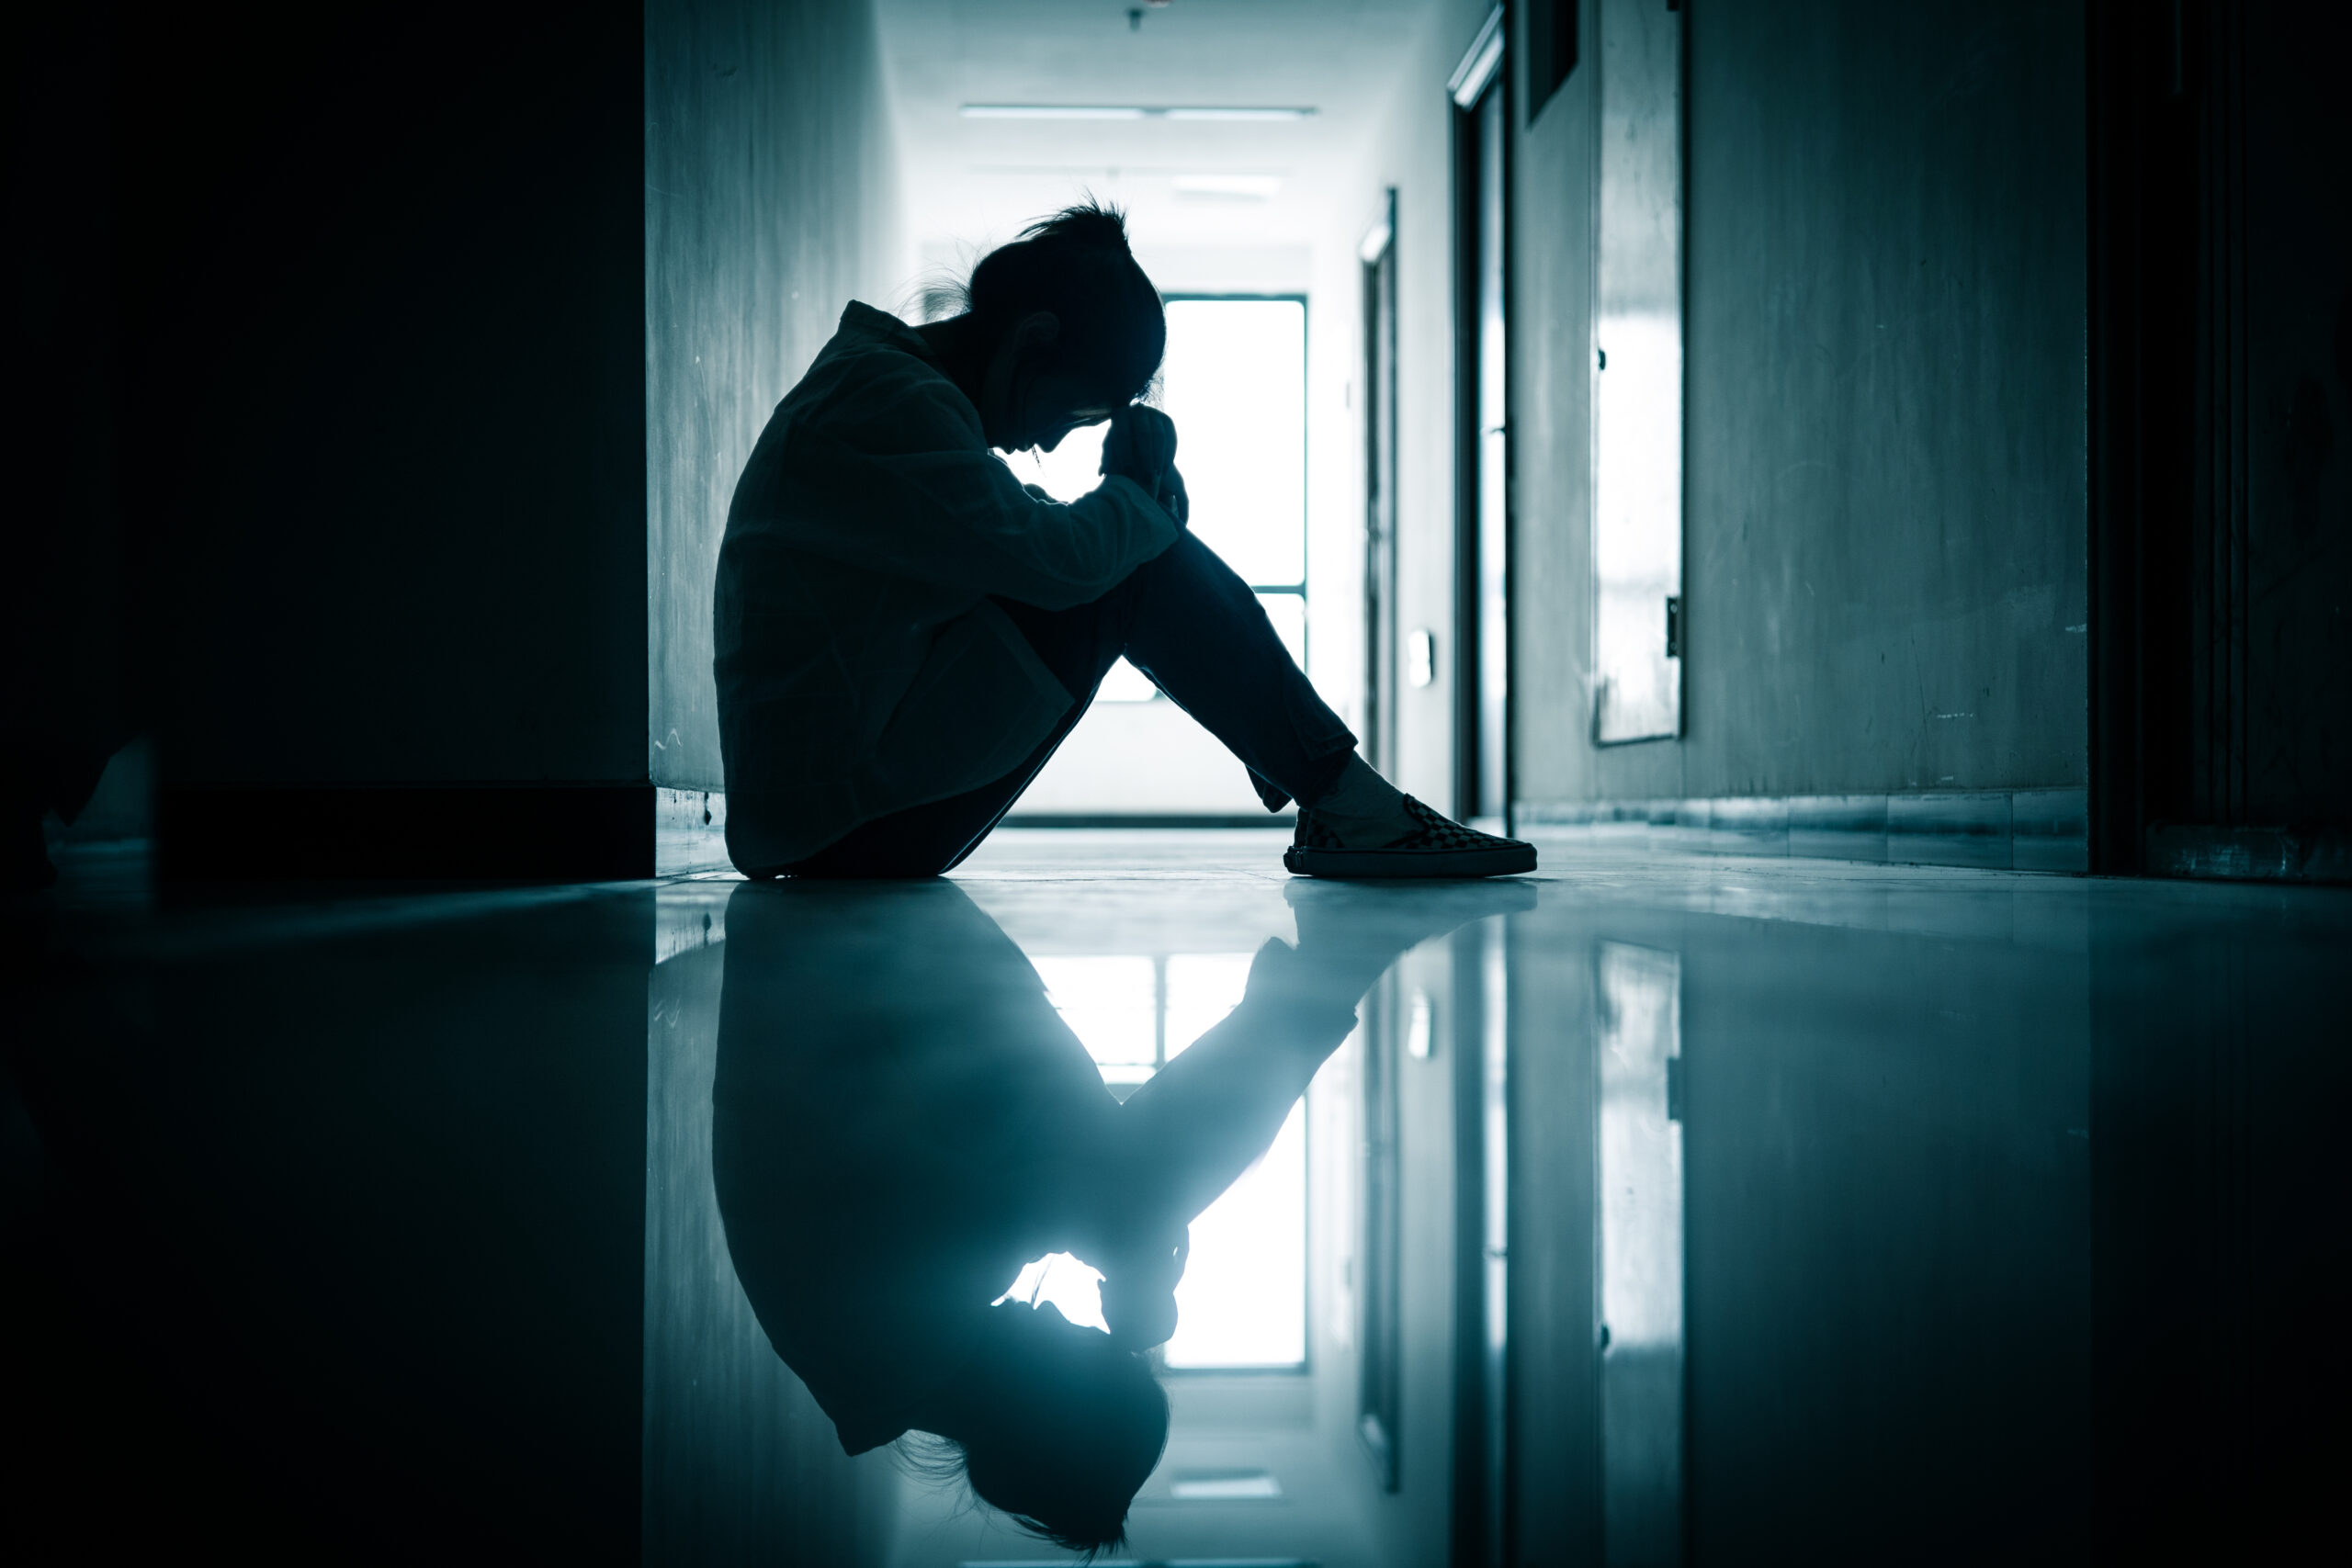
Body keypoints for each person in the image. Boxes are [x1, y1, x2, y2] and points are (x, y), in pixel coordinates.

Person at [714, 201, 1535, 879]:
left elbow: (1004, 541)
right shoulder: (890, 404)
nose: (1051, 441)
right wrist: (1140, 505)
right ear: (1032, 342)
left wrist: (1136, 515)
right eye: (1075, 413)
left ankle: (1329, 790)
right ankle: (1350, 805)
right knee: (1131, 569)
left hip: (828, 813)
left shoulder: (885, 393)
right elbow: (1054, 563)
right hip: (840, 826)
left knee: (1128, 551)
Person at [710, 874, 1533, 1552]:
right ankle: (1321, 976)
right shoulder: (891, 1371)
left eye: (1091, 1355)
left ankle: (1332, 967)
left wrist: (1140, 1272)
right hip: (847, 952)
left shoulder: (892, 1349)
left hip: (846, 947)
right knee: (1124, 1207)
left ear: (1047, 1404)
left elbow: (1068, 1201)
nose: (1079, 1324)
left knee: (1128, 1206)